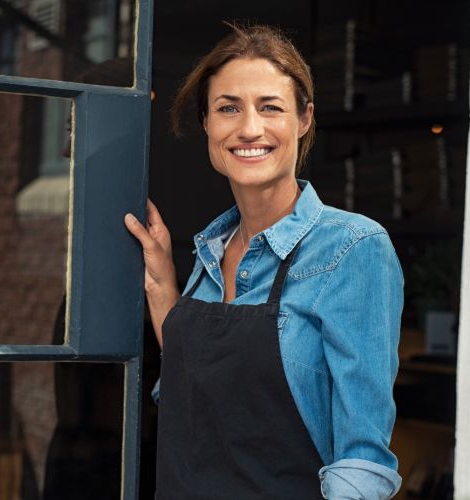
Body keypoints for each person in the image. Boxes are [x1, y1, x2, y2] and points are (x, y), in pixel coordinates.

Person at [124, 24, 403, 499]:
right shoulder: (208, 252)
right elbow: (195, 399)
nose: (249, 128)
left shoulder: (352, 248)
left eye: (270, 107)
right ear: (208, 124)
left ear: (304, 119)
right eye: (228, 108)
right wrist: (162, 285)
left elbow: (363, 462)